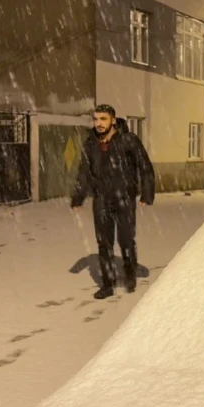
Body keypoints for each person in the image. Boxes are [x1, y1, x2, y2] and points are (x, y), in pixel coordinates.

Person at [71, 104, 155, 299]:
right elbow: (84, 172)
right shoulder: (91, 143)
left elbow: (145, 167)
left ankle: (130, 274)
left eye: (103, 119)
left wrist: (146, 194)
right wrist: (78, 197)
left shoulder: (128, 140)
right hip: (101, 199)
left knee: (126, 239)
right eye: (96, 119)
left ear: (113, 121)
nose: (98, 123)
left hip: (124, 198)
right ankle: (107, 284)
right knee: (104, 243)